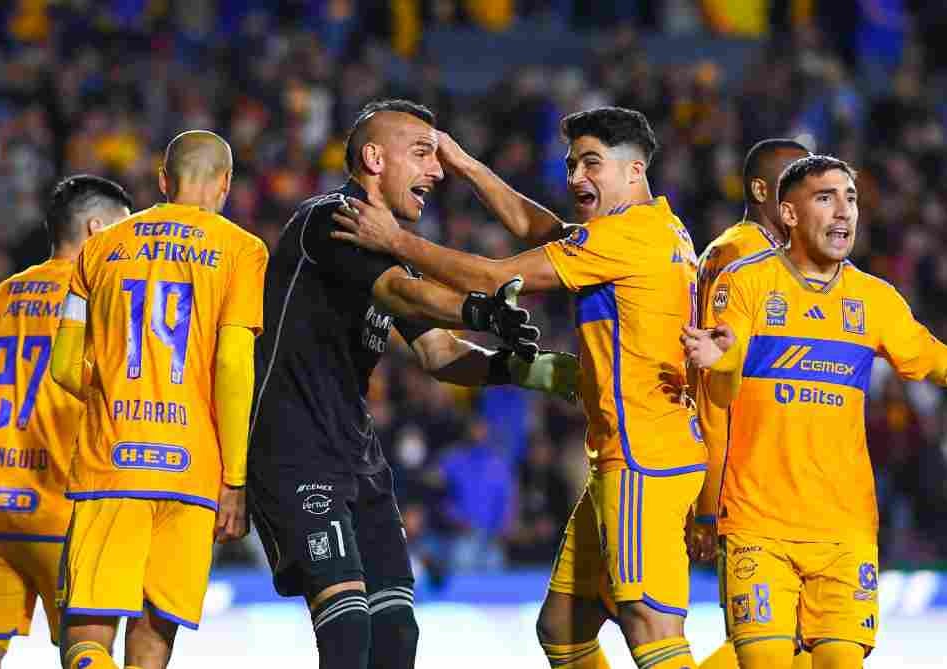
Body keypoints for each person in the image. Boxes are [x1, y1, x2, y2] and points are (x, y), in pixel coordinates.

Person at [333, 106, 705, 669]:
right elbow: (542, 231)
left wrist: (397, 241)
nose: (577, 177)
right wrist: (466, 165)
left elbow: (492, 278)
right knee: (563, 627)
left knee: (651, 629)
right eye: (572, 164)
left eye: (592, 164)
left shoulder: (626, 238)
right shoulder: (657, 228)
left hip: (642, 461)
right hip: (630, 455)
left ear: (634, 171)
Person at [247, 98, 576, 669]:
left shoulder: (391, 245)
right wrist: (483, 308)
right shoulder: (330, 218)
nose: (437, 170)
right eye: (422, 154)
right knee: (348, 632)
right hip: (296, 452)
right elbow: (400, 295)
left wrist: (528, 369)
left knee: (398, 635)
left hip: (359, 458)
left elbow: (438, 353)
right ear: (374, 158)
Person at [683, 155, 947, 668]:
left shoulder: (875, 300)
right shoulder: (745, 282)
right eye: (825, 198)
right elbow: (723, 378)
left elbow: (933, 359)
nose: (843, 210)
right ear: (788, 213)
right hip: (759, 526)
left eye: (850, 198)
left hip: (845, 531)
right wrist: (723, 361)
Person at [50, 131, 267, 669]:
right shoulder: (242, 250)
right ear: (226, 183)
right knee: (153, 639)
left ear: (163, 181)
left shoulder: (99, 249)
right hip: (191, 472)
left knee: (87, 636)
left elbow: (62, 367)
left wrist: (116, 395)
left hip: (113, 462)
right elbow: (234, 365)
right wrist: (235, 480)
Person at [0, 175, 132, 669]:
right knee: (86, 653)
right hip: (66, 515)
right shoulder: (101, 303)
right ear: (96, 230)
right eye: (123, 231)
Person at [689, 139, 810, 669]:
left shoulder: (790, 262)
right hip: (749, 485)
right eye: (798, 183)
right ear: (763, 191)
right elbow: (714, 387)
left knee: (800, 635)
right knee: (764, 642)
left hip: (793, 475)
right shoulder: (735, 256)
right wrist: (710, 502)